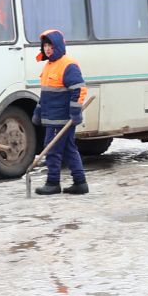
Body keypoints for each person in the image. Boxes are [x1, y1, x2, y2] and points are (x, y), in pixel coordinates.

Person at [33, 28, 89, 196]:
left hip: (61, 118)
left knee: (52, 149)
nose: (47, 49)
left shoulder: (68, 65)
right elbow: (46, 93)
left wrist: (75, 112)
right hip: (51, 116)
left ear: (57, 46)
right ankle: (80, 182)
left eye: (50, 45)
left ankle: (53, 182)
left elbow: (79, 89)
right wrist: (38, 111)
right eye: (45, 46)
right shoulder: (49, 65)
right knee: (68, 149)